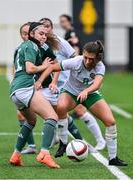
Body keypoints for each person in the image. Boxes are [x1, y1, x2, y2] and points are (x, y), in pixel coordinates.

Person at [35, 40, 128, 166]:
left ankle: (113, 158)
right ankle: (63, 143)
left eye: (91, 59)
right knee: (61, 107)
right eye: (86, 57)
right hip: (71, 91)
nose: (88, 61)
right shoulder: (76, 61)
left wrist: (86, 91)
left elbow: (96, 84)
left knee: (110, 121)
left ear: (97, 58)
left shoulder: (100, 66)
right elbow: (52, 67)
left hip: (90, 93)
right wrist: (40, 81)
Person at [39, 18, 105, 156]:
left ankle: (99, 141)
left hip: (67, 83)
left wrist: (83, 76)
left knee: (79, 111)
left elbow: (76, 56)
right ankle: (59, 138)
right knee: (56, 112)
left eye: (47, 26)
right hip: (52, 85)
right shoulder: (41, 44)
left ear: (51, 28)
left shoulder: (60, 42)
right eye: (42, 27)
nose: (45, 30)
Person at [9, 22, 60, 168]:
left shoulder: (20, 47)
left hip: (15, 90)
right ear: (32, 35)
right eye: (41, 34)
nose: (44, 37)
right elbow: (30, 68)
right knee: (52, 117)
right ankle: (44, 154)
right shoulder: (31, 45)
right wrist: (44, 65)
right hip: (25, 88)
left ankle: (16, 155)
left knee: (31, 121)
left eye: (45, 34)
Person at [16, 22, 38, 154]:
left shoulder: (37, 46)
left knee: (57, 113)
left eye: (28, 33)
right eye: (23, 34)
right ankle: (31, 146)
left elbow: (51, 64)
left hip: (41, 85)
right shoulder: (21, 48)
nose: (26, 36)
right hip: (26, 86)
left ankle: (79, 141)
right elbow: (17, 67)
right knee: (22, 116)